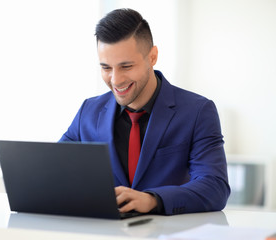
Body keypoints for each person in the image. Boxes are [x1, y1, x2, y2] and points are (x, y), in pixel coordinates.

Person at [60, 8, 230, 215]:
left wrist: (152, 200)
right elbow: (53, 171)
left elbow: (215, 186)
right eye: (106, 68)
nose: (116, 80)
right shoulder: (89, 111)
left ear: (153, 56)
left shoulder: (198, 111)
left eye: (126, 66)